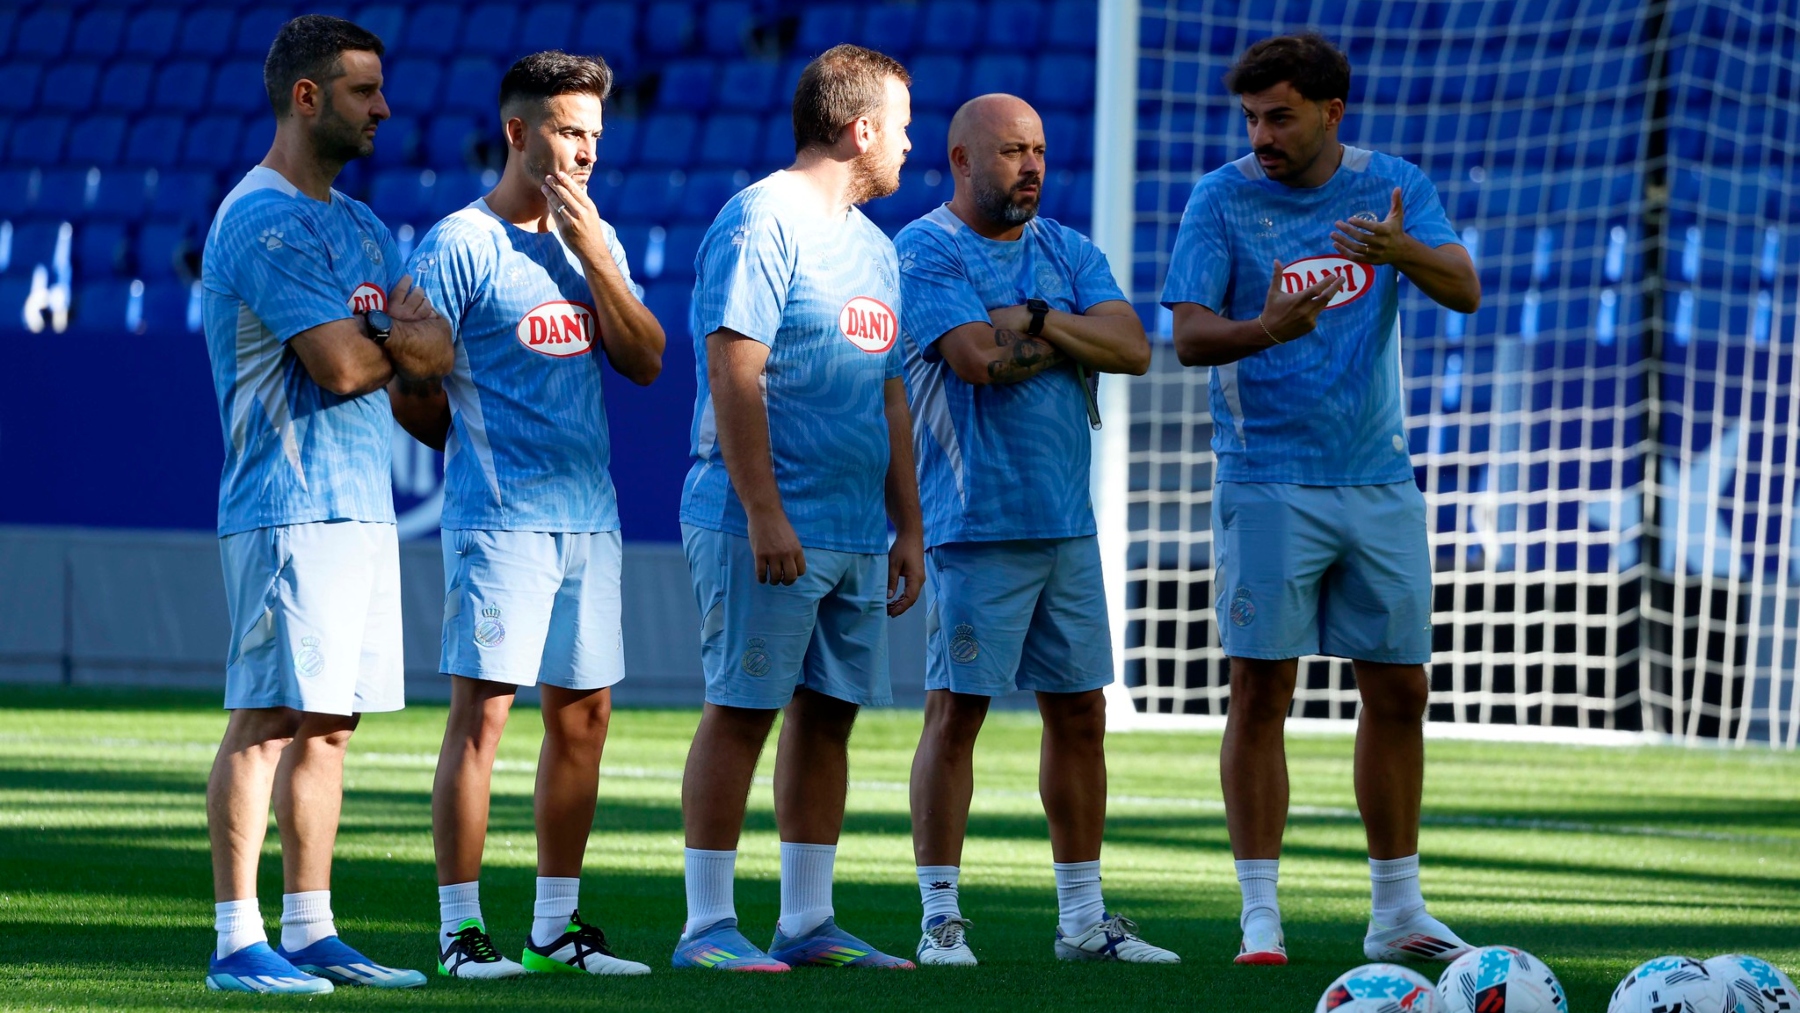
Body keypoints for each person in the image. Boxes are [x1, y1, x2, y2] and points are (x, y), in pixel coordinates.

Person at [1161, 33, 1482, 966]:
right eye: (1252, 117)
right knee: (1262, 687)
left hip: (1378, 478)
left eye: (1280, 116)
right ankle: (1261, 910)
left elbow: (1463, 288)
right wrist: (1267, 327)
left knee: (1402, 687)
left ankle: (1398, 909)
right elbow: (1186, 337)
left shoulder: (1394, 185)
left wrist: (1401, 248)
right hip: (1266, 478)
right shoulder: (1221, 197)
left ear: (1333, 113)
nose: (1261, 134)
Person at [388, 51, 666, 979]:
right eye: (566, 130)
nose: (585, 151)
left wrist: (593, 258)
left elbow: (646, 358)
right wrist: (457, 424)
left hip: (592, 518)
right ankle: (461, 933)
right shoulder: (458, 243)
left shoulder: (596, 240)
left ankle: (555, 927)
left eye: (593, 132)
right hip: (499, 523)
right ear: (518, 132)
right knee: (484, 720)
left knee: (584, 718)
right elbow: (414, 394)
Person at [198, 15, 452, 994]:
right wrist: (405, 334)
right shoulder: (259, 217)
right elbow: (347, 364)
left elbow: (428, 393)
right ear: (307, 97)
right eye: (363, 91)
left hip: (359, 508)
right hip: (285, 501)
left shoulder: (362, 224)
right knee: (265, 715)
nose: (385, 107)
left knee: (330, 721)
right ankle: (235, 939)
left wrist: (407, 343)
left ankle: (310, 926)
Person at [894, 94, 1177, 967]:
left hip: (1066, 524)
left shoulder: (1066, 248)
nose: (1032, 167)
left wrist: (1042, 319)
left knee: (1081, 714)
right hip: (975, 521)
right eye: (1013, 151)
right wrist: (1067, 332)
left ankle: (1084, 921)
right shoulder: (926, 248)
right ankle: (939, 914)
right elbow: (977, 362)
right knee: (956, 714)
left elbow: (1133, 347)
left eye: (1041, 150)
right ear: (963, 161)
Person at [669, 43, 925, 973]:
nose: (908, 143)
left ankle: (807, 921)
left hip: (858, 528)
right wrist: (764, 509)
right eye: (900, 125)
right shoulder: (760, 219)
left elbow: (890, 393)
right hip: (765, 523)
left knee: (830, 714)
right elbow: (733, 368)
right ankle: (706, 927)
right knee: (742, 709)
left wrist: (908, 524)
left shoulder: (877, 248)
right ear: (860, 130)